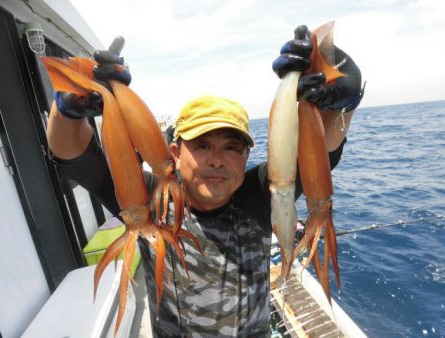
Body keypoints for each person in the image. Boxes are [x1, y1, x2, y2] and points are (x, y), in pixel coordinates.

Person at [46, 25, 363, 337]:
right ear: (175, 152)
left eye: (231, 147)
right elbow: (74, 156)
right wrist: (70, 107)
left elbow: (323, 150)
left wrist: (339, 92)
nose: (216, 159)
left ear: (246, 156)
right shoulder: (147, 201)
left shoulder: (263, 193)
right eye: (202, 145)